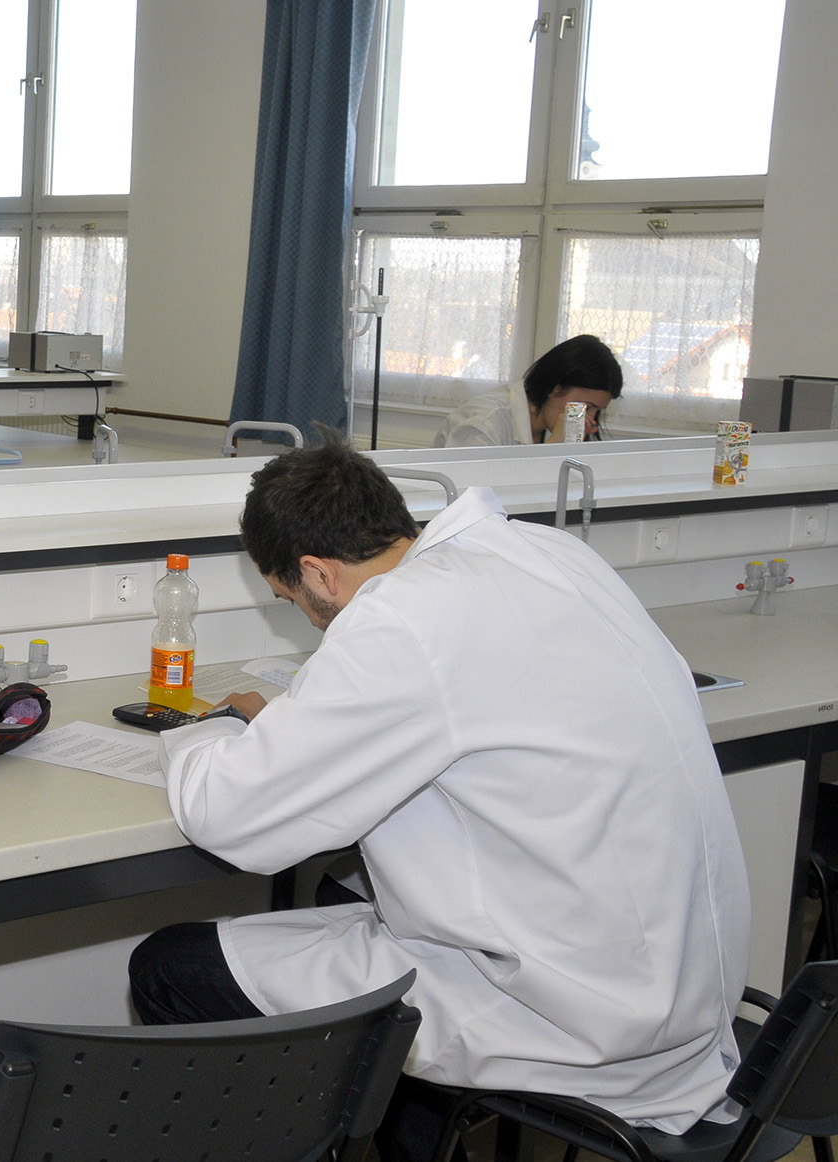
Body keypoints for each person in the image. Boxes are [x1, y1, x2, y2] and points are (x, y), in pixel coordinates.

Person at [127, 439, 749, 1162]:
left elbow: (228, 814)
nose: (308, 618)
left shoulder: (401, 620)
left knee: (173, 968)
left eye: (291, 600)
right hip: (671, 985)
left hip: (577, 1021)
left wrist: (216, 728)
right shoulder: (548, 553)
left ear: (318, 573)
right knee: (337, 890)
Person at [434, 334, 622, 447]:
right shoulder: (486, 423)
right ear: (554, 388)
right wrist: (554, 447)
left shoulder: (550, 425)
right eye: (587, 407)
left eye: (597, 411)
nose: (590, 419)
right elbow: (475, 495)